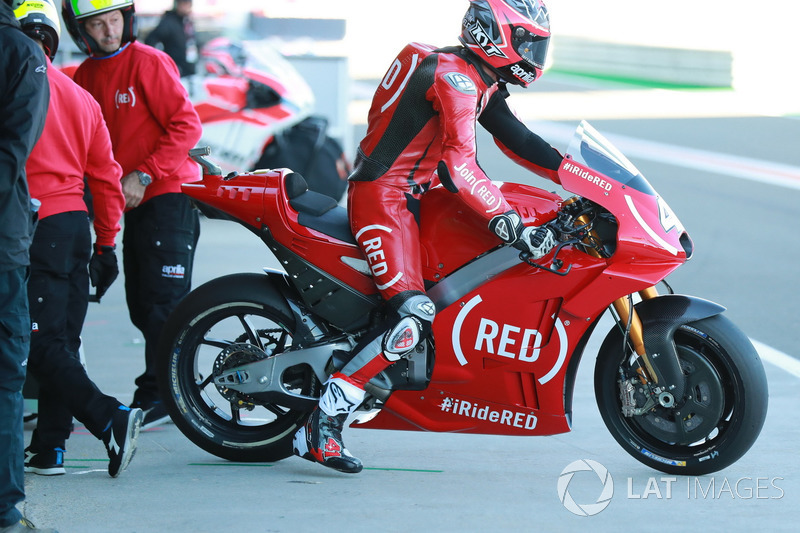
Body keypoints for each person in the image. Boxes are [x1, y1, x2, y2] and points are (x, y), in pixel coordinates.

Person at [293, 0, 563, 474]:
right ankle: (322, 424)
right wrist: (508, 222)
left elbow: (517, 138)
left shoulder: (473, 74)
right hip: (386, 197)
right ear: (494, 36)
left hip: (419, 193)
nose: (533, 55)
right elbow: (460, 166)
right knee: (412, 315)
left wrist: (581, 178)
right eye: (526, 43)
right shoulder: (455, 79)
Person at [15, 0, 143, 480]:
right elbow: (106, 178)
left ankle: (109, 417)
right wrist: (106, 245)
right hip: (74, 228)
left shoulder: (13, 89)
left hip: (33, 227)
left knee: (37, 344)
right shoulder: (79, 97)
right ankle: (49, 449)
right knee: (61, 341)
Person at [61, 0, 203, 429]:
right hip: (132, 203)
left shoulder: (150, 62)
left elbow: (186, 125)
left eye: (114, 21)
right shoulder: (84, 76)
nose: (109, 31)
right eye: (98, 24)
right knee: (142, 304)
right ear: (81, 30)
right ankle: (158, 387)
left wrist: (144, 173)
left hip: (166, 195)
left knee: (163, 303)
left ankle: (168, 393)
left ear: (128, 19)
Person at [0, 0, 55, 530]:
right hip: (3, 245)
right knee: (4, 379)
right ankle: (4, 512)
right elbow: (13, 150)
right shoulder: (22, 52)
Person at [144, 0, 197, 77]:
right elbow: (151, 39)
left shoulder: (187, 21)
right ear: (177, 4)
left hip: (189, 69)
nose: (186, 7)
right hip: (175, 70)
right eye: (184, 3)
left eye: (188, 4)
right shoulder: (168, 22)